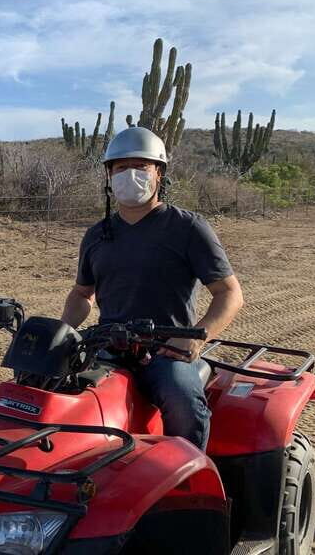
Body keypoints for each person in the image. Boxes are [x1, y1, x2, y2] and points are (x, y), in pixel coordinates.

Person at [61, 127, 244, 450]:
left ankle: (189, 485)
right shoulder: (97, 234)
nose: (129, 175)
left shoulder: (188, 228)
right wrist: (61, 334)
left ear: (159, 173)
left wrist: (193, 339)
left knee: (183, 401)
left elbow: (229, 293)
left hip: (168, 350)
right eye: (120, 168)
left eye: (140, 167)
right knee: (57, 389)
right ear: (109, 175)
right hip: (108, 345)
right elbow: (81, 294)